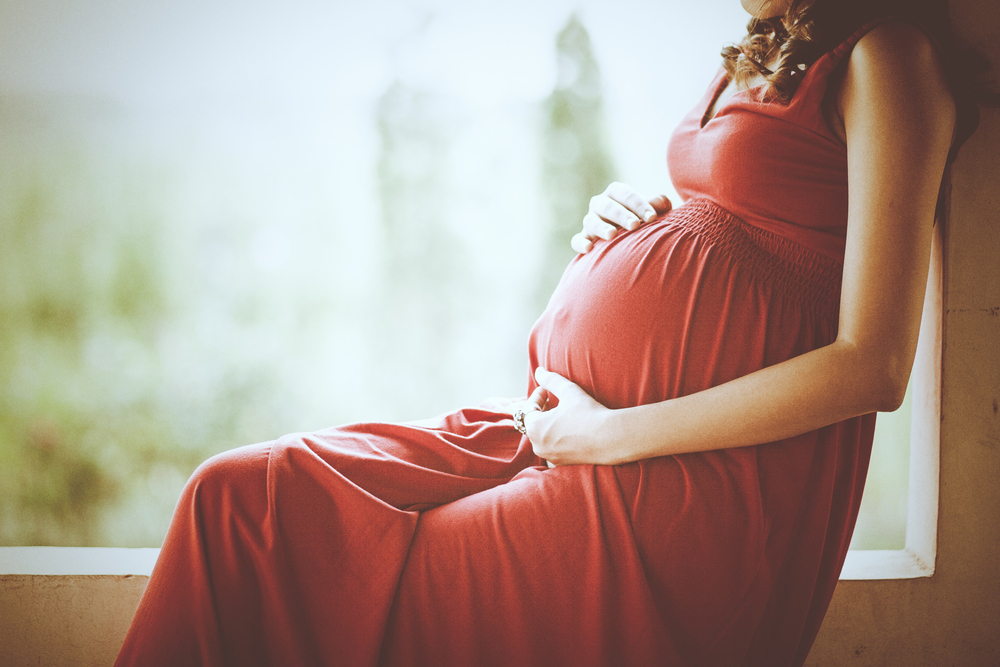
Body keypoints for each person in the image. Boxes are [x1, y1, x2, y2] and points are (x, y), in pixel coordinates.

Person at [115, 0, 985, 665]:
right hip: (571, 436)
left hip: (682, 490)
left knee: (384, 587)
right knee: (241, 500)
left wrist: (609, 434)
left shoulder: (888, 57)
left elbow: (873, 363)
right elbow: (749, 223)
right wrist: (641, 221)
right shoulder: (768, 46)